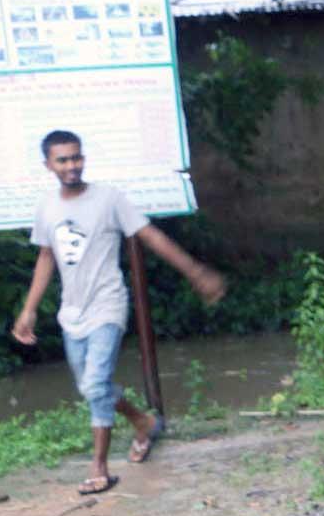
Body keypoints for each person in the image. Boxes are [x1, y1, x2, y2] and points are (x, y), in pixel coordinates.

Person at [13, 130, 225, 495]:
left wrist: (194, 271)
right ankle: (142, 421)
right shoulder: (47, 207)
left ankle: (99, 468)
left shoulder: (108, 198)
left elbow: (150, 236)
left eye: (76, 157)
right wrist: (29, 310)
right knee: (91, 388)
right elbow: (46, 257)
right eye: (63, 159)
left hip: (108, 306)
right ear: (48, 165)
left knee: (95, 385)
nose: (72, 165)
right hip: (71, 313)